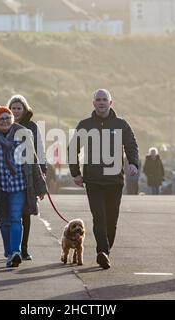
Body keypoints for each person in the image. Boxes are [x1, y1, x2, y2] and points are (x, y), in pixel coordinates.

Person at [68, 89, 139, 269]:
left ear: (110, 103)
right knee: (99, 217)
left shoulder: (121, 125)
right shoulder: (85, 125)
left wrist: (133, 163)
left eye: (104, 100)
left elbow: (131, 145)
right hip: (93, 180)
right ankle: (102, 251)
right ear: (93, 103)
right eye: (98, 100)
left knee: (111, 220)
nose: (101, 102)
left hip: (115, 181)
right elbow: (73, 149)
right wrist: (75, 172)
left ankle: (106, 251)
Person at [0, 107, 47, 268]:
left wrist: (41, 187)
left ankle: (15, 251)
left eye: (8, 117)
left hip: (19, 185)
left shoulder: (23, 135)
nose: (5, 121)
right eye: (1, 119)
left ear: (12, 119)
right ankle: (9, 252)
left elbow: (33, 161)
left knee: (16, 218)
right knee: (4, 222)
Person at [7, 94, 47, 261]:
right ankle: (11, 248)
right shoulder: (4, 123)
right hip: (8, 174)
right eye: (13, 108)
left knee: (26, 212)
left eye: (19, 108)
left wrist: (43, 169)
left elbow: (39, 148)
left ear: (24, 110)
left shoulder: (31, 126)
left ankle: (24, 248)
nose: (16, 111)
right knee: (10, 214)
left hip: (28, 174)